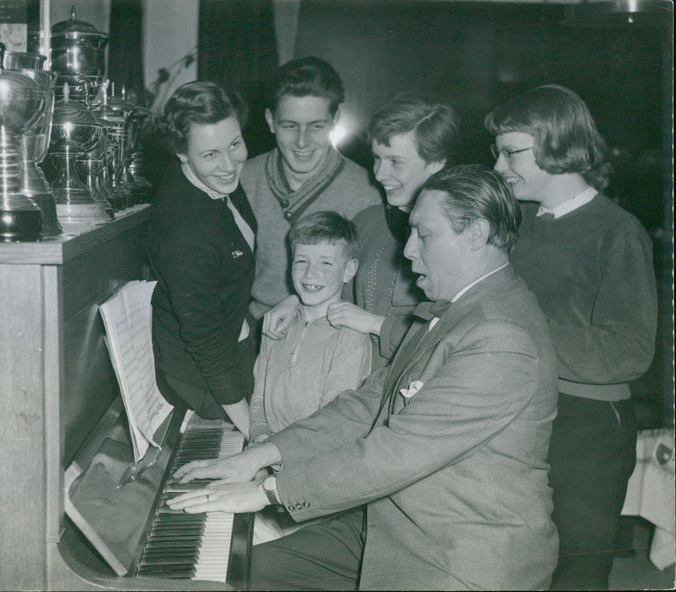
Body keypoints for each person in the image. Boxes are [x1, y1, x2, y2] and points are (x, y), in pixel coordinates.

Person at [167, 164, 560, 590]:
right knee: (243, 570)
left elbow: (397, 451)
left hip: (457, 553)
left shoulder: (500, 335)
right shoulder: (454, 310)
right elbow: (367, 403)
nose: (407, 250)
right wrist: (258, 456)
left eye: (423, 235)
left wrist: (268, 492)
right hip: (392, 521)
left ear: (477, 233)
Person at [484, 84, 658, 591]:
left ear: (557, 145)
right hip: (523, 412)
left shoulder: (617, 231)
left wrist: (523, 330)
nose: (498, 166)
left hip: (586, 432)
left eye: (510, 151)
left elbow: (629, 351)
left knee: (575, 572)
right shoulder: (520, 223)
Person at [264, 93, 461, 369]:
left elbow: (453, 341)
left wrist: (375, 324)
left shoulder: (458, 239)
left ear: (436, 163)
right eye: (377, 159)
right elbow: (333, 288)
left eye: (395, 162)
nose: (379, 174)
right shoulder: (367, 220)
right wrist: (294, 302)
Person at [147, 81, 256, 437]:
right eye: (211, 154)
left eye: (235, 144)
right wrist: (251, 429)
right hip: (202, 379)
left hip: (234, 344)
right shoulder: (185, 232)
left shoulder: (213, 180)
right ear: (181, 153)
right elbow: (205, 341)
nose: (229, 165)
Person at [240, 56, 381, 321]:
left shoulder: (365, 193)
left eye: (316, 127)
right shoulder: (244, 179)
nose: (302, 142)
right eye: (290, 126)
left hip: (327, 336)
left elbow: (363, 292)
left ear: (335, 119)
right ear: (270, 120)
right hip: (252, 332)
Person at [249, 210, 372, 443]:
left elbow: (331, 425)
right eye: (301, 261)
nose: (310, 273)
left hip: (313, 458)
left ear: (348, 270)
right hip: (268, 450)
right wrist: (259, 437)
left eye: (325, 263)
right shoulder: (277, 321)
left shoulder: (350, 336)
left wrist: (268, 454)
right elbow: (259, 398)